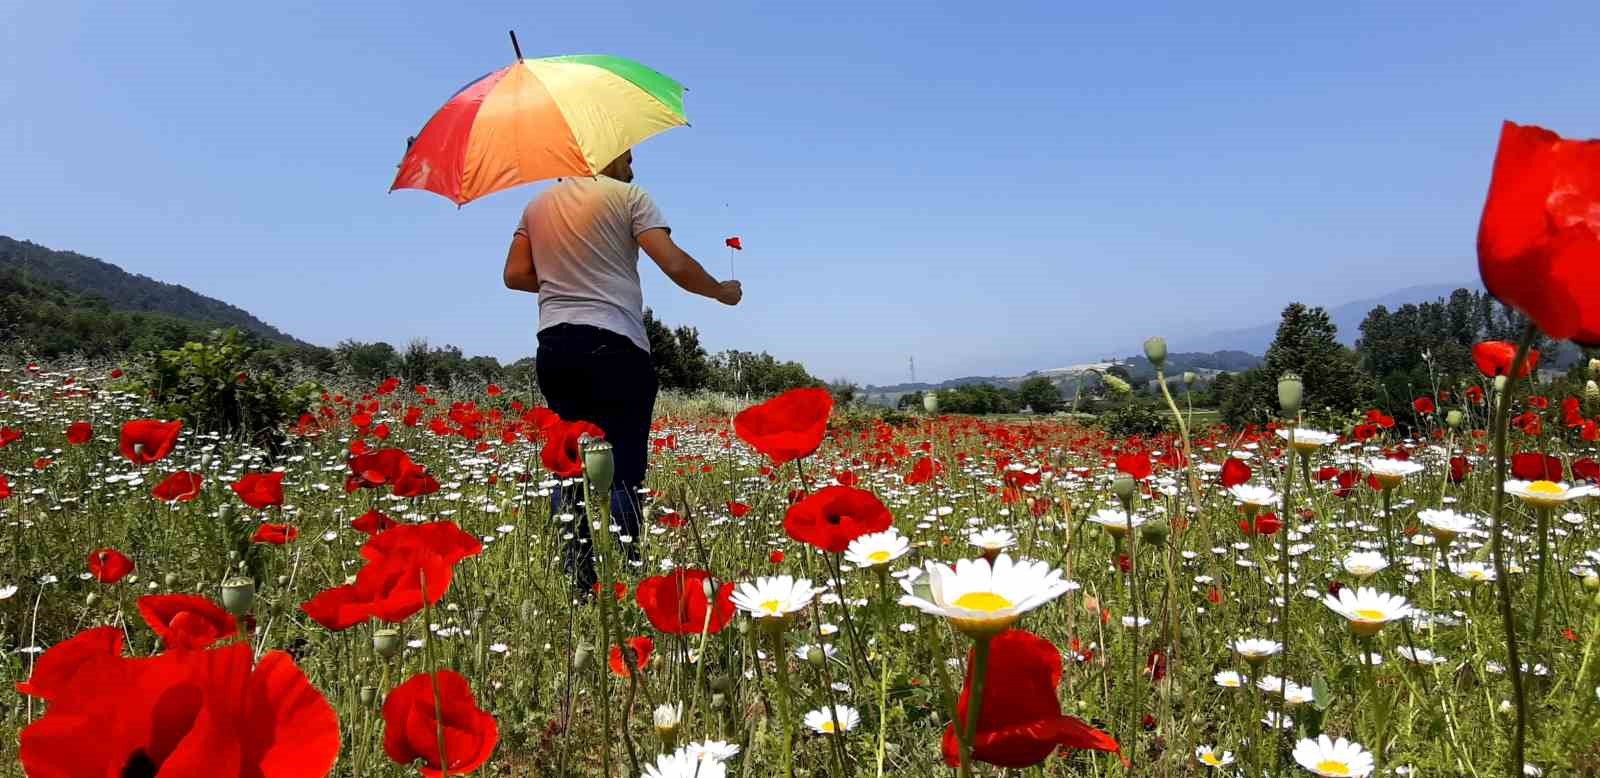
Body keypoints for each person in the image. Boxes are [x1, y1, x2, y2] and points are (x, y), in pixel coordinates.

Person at [503, 149, 742, 594]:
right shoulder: (629, 196)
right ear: (605, 155)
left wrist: (565, 277)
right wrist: (720, 292)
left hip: (555, 346)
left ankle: (579, 583)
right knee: (622, 465)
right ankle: (624, 579)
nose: (632, 168)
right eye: (627, 157)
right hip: (615, 344)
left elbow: (515, 275)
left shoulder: (535, 206)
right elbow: (674, 264)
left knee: (570, 463)